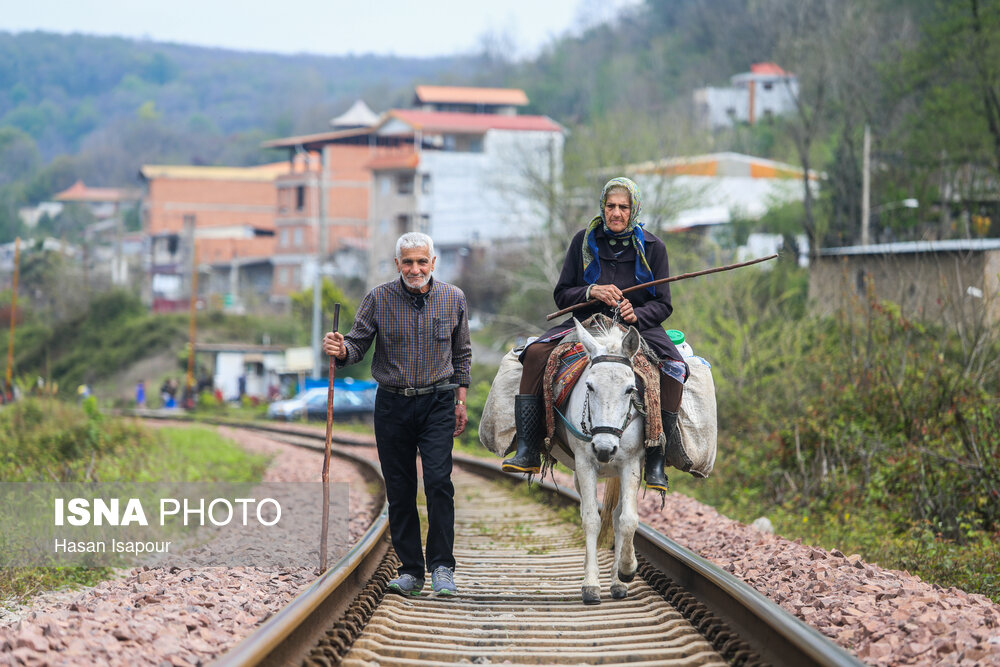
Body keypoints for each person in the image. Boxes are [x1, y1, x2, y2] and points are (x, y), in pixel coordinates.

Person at [502, 176, 687, 493]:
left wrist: (637, 314)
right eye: (610, 206)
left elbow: (664, 303)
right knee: (533, 354)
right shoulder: (582, 242)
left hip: (637, 328)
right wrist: (591, 290)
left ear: (634, 209)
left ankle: (657, 457)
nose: (616, 213)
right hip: (588, 324)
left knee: (673, 367)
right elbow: (562, 295)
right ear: (603, 207)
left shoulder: (655, 247)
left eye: (623, 207)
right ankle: (528, 447)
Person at [323, 232, 471, 597]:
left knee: (439, 484)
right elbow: (357, 346)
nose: (415, 268)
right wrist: (340, 349)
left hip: (438, 401)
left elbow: (462, 354)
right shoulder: (378, 298)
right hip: (392, 405)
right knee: (400, 491)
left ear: (433, 263)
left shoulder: (454, 298)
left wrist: (461, 401)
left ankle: (442, 568)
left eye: (422, 261)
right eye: (408, 262)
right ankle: (410, 571)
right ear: (397, 265)